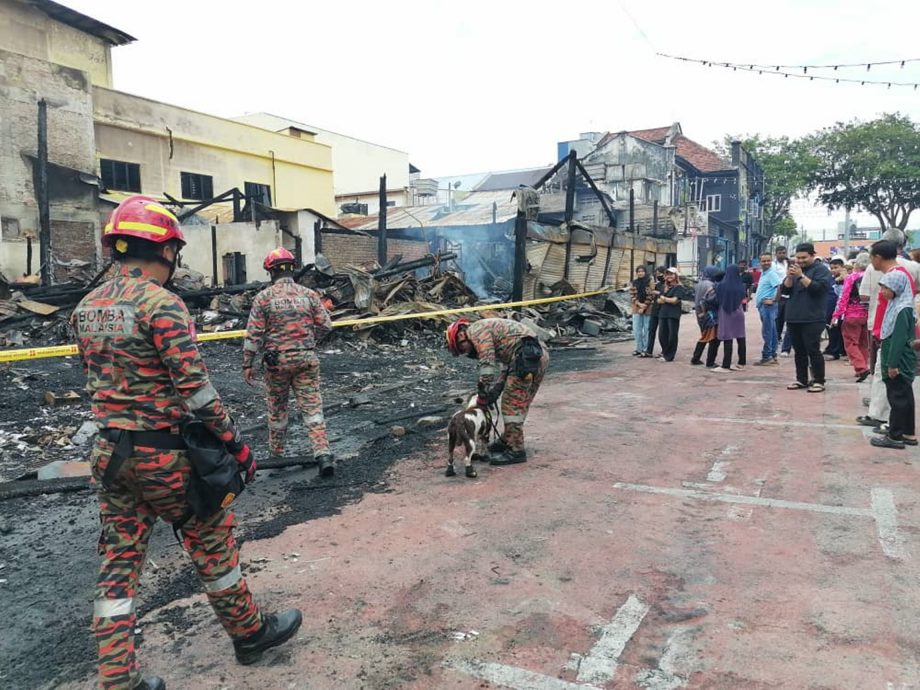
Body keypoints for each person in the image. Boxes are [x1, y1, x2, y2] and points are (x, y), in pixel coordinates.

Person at [71, 196, 301, 690]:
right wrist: (237, 445)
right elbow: (195, 391)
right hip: (168, 457)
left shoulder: (87, 307)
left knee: (119, 562)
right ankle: (250, 634)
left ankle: (118, 678)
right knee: (212, 546)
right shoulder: (162, 303)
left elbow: (95, 375)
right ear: (168, 251)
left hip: (110, 455)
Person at [243, 248, 335, 477]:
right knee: (312, 408)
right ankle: (323, 454)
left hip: (277, 363)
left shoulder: (264, 297)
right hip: (305, 358)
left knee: (277, 409)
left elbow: (253, 335)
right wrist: (310, 341)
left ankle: (276, 455)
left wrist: (248, 364)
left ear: (271, 271)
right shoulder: (309, 295)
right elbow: (326, 325)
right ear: (292, 269)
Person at [445, 317, 549, 465]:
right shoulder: (488, 330)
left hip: (525, 357)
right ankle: (508, 439)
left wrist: (482, 393)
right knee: (520, 403)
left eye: (462, 349)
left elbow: (487, 365)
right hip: (536, 356)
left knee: (511, 404)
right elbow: (506, 367)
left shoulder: (476, 331)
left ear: (461, 336)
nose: (465, 353)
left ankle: (516, 450)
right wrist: (494, 392)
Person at [858, 237, 920, 427]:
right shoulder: (907, 270)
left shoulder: (897, 275)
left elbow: (866, 296)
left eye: (885, 287)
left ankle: (895, 426)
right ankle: (889, 420)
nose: (883, 290)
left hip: (894, 334)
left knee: (895, 379)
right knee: (887, 377)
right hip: (887, 331)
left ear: (878, 257)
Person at [870, 270, 918, 449]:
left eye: (885, 288)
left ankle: (895, 435)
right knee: (905, 396)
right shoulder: (899, 305)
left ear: (897, 287)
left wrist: (892, 365)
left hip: (899, 360)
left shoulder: (901, 310)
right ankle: (908, 433)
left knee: (897, 397)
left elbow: (898, 339)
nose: (882, 292)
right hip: (900, 358)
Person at [782, 242, 833, 392]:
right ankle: (801, 379)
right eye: (798, 258)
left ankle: (818, 380)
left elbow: (817, 289)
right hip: (793, 316)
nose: (800, 261)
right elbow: (785, 290)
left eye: (804, 257)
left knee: (813, 349)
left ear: (812, 255)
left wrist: (800, 276)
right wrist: (790, 277)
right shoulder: (794, 270)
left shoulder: (821, 270)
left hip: (813, 317)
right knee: (799, 351)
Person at [832, 252, 870, 381]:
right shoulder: (872, 276)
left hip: (852, 314)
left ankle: (861, 368)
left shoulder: (852, 277)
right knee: (864, 343)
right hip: (868, 314)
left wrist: (836, 315)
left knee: (851, 343)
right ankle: (863, 366)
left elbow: (844, 297)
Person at [711, 264, 747, 372]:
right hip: (739, 311)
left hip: (726, 312)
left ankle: (726, 364)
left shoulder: (721, 286)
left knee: (728, 337)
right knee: (740, 336)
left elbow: (716, 295)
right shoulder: (742, 285)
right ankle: (741, 363)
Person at [753, 252, 782, 366]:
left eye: (768, 261)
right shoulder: (764, 273)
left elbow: (779, 286)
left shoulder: (771, 274)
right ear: (760, 262)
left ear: (771, 261)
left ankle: (767, 356)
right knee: (772, 331)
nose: (766, 263)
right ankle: (772, 355)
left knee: (767, 331)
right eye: (763, 261)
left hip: (768, 306)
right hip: (764, 306)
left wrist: (774, 300)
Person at [690, 266, 721, 367]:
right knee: (712, 338)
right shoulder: (711, 285)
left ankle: (696, 358)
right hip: (709, 315)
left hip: (700, 315)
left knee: (705, 335)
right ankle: (708, 361)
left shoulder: (699, 284)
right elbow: (711, 301)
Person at [656, 267, 687, 362]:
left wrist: (664, 299)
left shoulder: (679, 287)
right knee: (662, 335)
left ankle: (669, 356)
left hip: (673, 314)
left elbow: (675, 300)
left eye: (671, 274)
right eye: (667, 274)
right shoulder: (664, 287)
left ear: (676, 276)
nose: (669, 276)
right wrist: (664, 299)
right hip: (663, 313)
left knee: (672, 335)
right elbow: (658, 300)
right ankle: (665, 353)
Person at [640, 266, 667, 358]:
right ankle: (649, 351)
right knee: (651, 330)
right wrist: (651, 292)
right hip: (655, 310)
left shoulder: (668, 284)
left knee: (662, 332)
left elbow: (668, 294)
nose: (658, 275)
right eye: (657, 273)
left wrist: (658, 293)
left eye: (660, 273)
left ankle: (665, 351)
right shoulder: (658, 284)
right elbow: (652, 295)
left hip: (663, 311)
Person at [823, 257, 847, 360]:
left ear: (842, 267)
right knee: (831, 329)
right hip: (829, 308)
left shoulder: (846, 280)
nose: (833, 270)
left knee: (837, 330)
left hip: (840, 310)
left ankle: (836, 351)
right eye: (831, 268)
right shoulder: (830, 279)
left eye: (836, 267)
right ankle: (832, 348)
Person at [772, 246, 793, 357]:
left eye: (784, 252)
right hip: (779, 297)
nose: (782, 254)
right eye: (780, 253)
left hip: (790, 297)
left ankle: (786, 348)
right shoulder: (773, 265)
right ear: (776, 254)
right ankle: (775, 344)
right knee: (778, 322)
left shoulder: (790, 264)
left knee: (789, 323)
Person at [630, 266, 652, 356]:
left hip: (647, 308)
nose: (640, 273)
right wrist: (639, 304)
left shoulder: (650, 282)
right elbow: (632, 295)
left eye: (642, 271)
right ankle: (638, 349)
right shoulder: (634, 283)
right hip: (636, 307)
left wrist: (644, 306)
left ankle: (645, 349)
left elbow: (651, 295)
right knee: (637, 329)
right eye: (638, 271)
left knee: (646, 329)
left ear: (645, 272)